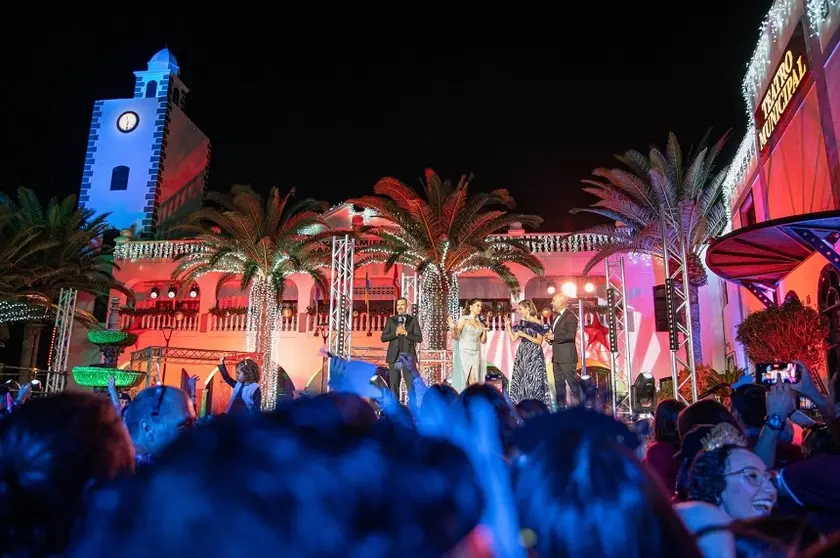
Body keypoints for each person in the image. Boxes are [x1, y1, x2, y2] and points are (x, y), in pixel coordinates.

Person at [122, 385, 197, 466]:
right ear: (148, 429)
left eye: (194, 422)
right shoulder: (122, 473)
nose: (195, 431)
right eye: (185, 425)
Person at [505, 299, 551, 407]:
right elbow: (513, 338)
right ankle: (522, 404)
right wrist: (508, 326)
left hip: (534, 353)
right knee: (522, 378)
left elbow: (539, 341)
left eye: (520, 309)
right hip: (523, 352)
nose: (519, 311)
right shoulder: (521, 323)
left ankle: (535, 404)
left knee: (534, 378)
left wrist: (524, 335)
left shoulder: (537, 322)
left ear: (527, 309)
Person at [380, 297, 423, 398]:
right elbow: (383, 338)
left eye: (402, 305)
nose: (400, 307)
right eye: (398, 305)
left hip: (407, 357)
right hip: (394, 358)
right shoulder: (391, 320)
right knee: (394, 384)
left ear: (406, 306)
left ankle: (412, 408)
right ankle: (396, 409)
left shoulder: (412, 321)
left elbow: (419, 338)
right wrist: (395, 333)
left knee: (410, 384)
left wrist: (406, 333)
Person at [544, 293, 579, 408]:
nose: (551, 303)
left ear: (561, 302)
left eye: (554, 300)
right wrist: (550, 339)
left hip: (567, 357)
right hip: (557, 357)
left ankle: (582, 411)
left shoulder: (570, 316)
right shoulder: (556, 317)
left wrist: (554, 337)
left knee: (573, 385)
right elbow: (557, 335)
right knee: (559, 386)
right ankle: (561, 411)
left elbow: (570, 335)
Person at [448, 298, 487, 391]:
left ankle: (472, 401)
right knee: (464, 378)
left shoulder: (480, 323)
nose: (480, 308)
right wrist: (452, 328)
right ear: (470, 307)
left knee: (474, 380)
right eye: (477, 305)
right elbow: (455, 337)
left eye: (481, 306)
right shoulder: (463, 319)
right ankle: (462, 399)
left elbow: (483, 341)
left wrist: (484, 331)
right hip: (464, 352)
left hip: (476, 352)